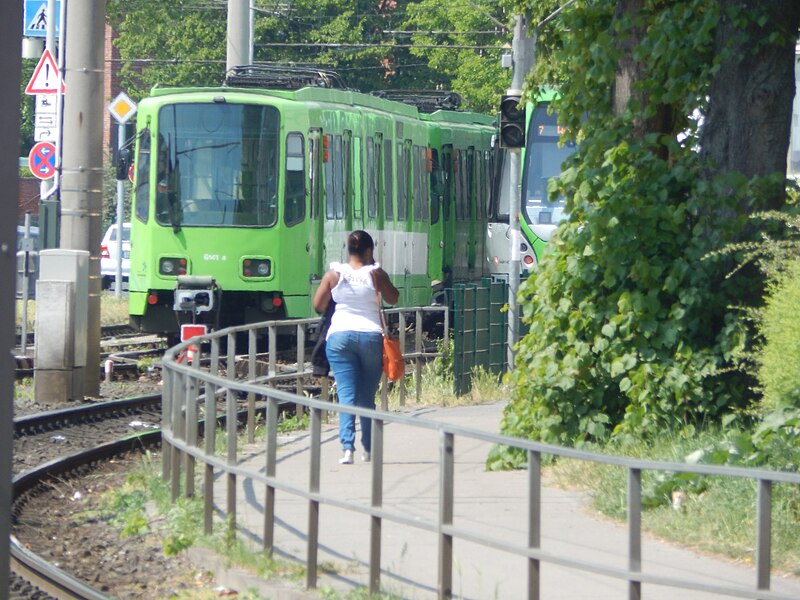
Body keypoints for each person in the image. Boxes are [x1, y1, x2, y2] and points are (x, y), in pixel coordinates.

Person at [313, 230, 400, 465]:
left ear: (349, 250)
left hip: (339, 338)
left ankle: (347, 449)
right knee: (366, 397)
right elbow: (393, 298)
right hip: (370, 337)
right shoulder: (375, 274)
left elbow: (318, 305)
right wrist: (380, 280)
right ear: (369, 251)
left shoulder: (333, 274)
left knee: (346, 394)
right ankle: (368, 448)